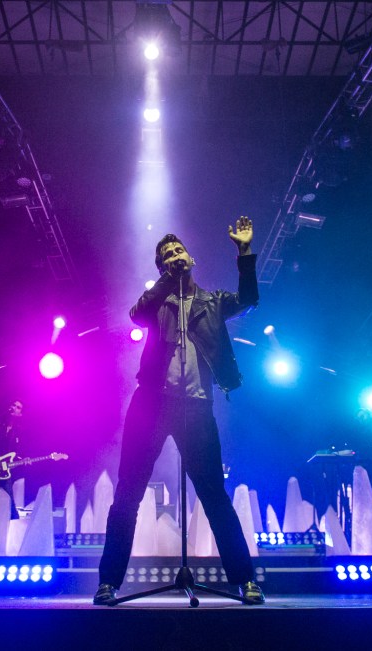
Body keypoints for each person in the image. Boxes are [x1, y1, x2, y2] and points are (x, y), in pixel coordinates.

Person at [93, 216, 265, 605]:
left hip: (197, 407)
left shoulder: (212, 302)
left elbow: (250, 299)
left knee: (214, 496)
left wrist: (243, 252)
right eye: (166, 254)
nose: (174, 255)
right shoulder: (156, 302)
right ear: (162, 267)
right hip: (151, 405)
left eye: (178, 251)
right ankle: (108, 583)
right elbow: (135, 315)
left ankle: (245, 580)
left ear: (191, 257)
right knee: (128, 494)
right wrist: (167, 281)